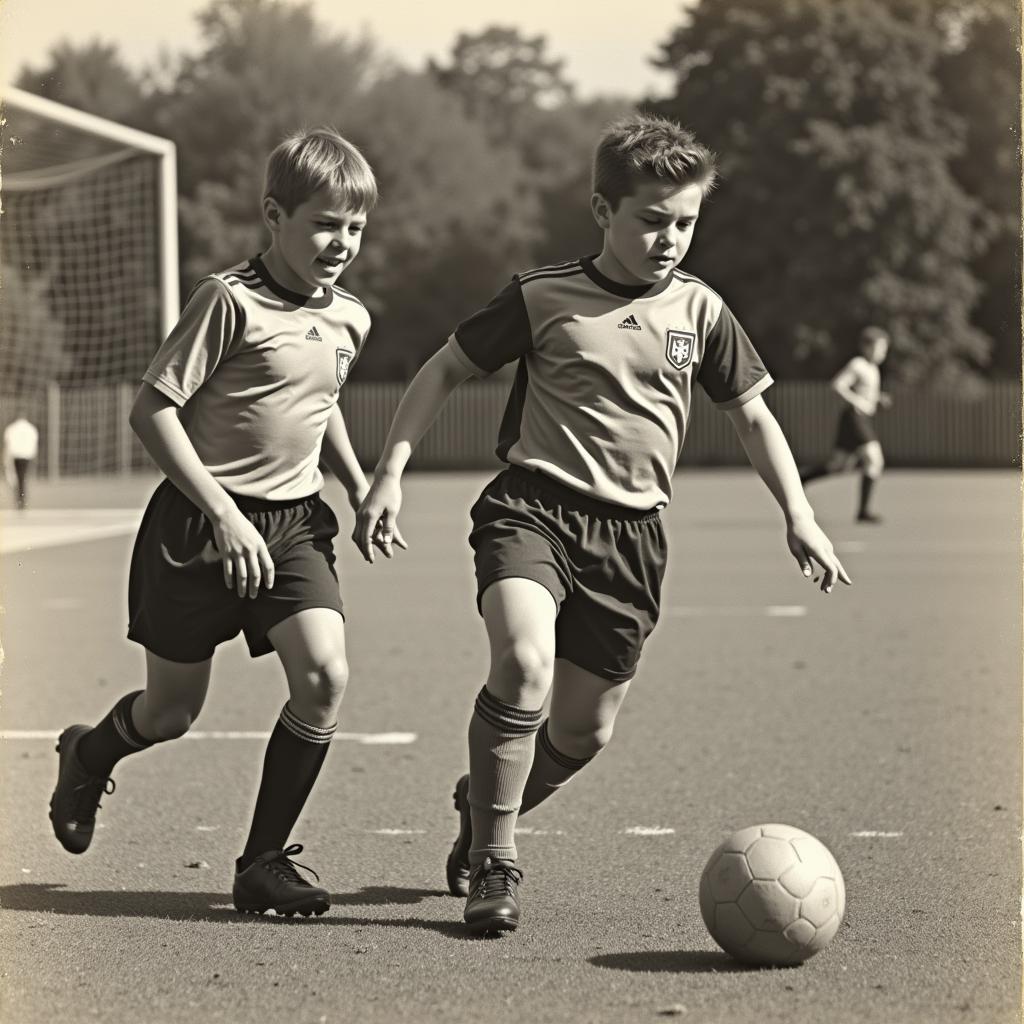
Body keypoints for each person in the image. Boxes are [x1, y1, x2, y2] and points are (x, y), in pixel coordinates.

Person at [354, 114, 850, 937]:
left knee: (583, 729)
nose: (669, 239)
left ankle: (480, 803)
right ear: (601, 210)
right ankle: (495, 860)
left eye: (685, 222)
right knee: (522, 662)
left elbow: (753, 416)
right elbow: (445, 367)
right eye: (651, 220)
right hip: (533, 510)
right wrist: (389, 473)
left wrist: (800, 515)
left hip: (633, 539)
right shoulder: (542, 295)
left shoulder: (702, 310)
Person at [48, 127, 402, 918]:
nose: (341, 242)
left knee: (325, 677)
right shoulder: (227, 299)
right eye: (323, 223)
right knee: (171, 713)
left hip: (295, 526)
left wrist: (359, 484)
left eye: (354, 226)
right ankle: (90, 749)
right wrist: (222, 514)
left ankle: (262, 862)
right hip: (196, 529)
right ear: (274, 215)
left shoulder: (350, 316)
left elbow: (322, 403)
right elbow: (152, 410)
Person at [799, 326, 891, 523]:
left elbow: (867, 394)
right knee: (875, 460)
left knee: (838, 466)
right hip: (854, 418)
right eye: (880, 348)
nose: (883, 353)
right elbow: (838, 385)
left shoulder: (872, 368)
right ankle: (863, 512)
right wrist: (859, 402)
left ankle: (801, 480)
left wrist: (878, 399)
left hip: (858, 419)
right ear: (866, 347)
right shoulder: (858, 364)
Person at [3, 415, 39, 510]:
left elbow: (8, 444)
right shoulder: (31, 428)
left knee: (19, 478)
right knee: (21, 478)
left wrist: (6, 458)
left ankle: (20, 499)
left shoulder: (11, 428)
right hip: (26, 456)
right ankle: (21, 499)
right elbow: (33, 444)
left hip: (16, 456)